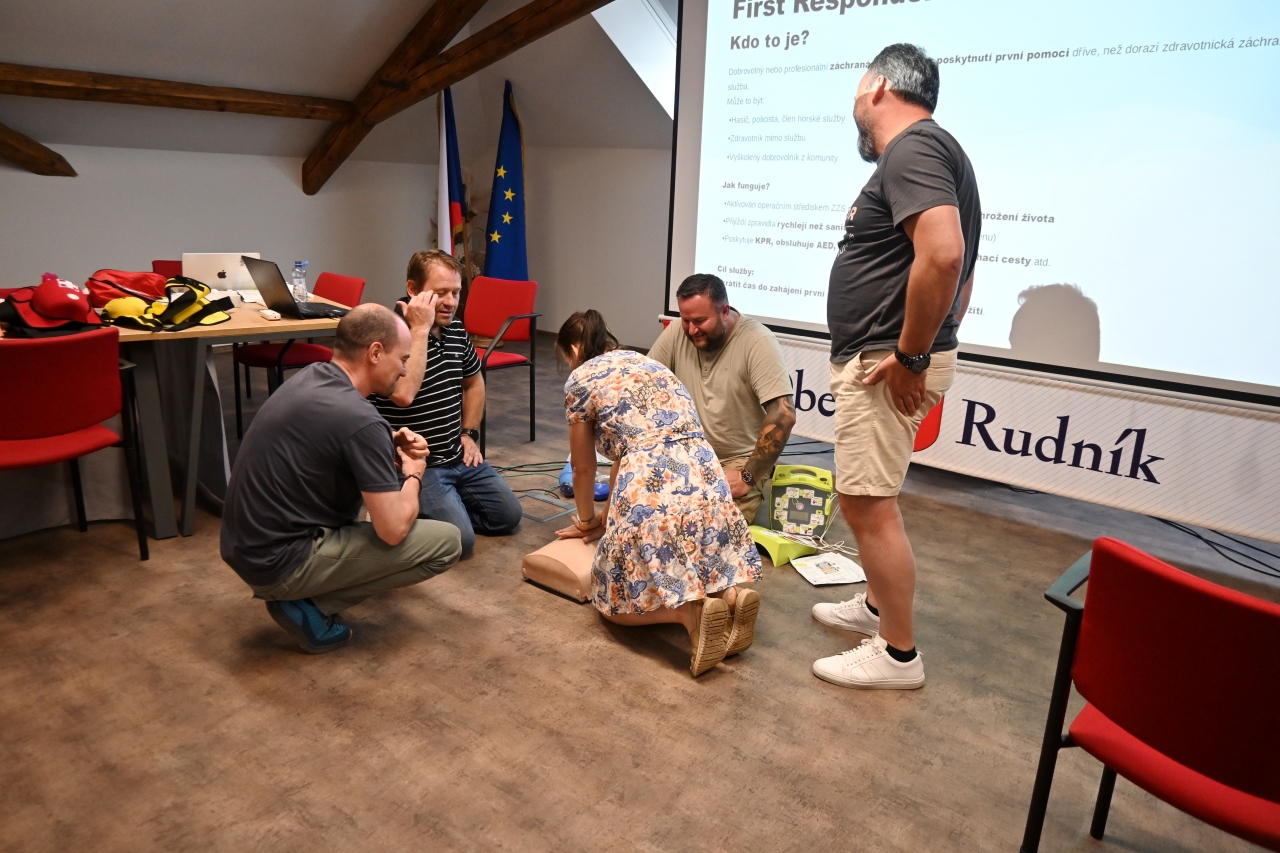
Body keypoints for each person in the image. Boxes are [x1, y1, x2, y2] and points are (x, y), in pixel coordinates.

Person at [812, 43, 981, 690]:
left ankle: (898, 654)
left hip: (888, 361)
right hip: (891, 354)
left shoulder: (914, 147)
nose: (854, 99)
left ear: (879, 86)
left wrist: (913, 354)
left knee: (866, 503)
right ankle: (877, 605)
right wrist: (936, 338)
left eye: (858, 84)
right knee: (867, 496)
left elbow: (944, 256)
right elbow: (960, 270)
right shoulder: (932, 152)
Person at [221, 304, 463, 654]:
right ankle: (309, 604)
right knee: (447, 542)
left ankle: (301, 589)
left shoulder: (314, 376)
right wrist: (414, 474)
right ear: (375, 353)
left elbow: (333, 435)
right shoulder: (361, 420)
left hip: (247, 548)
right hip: (278, 563)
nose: (404, 370)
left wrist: (387, 440)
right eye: (402, 359)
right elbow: (393, 530)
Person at [553, 310, 763, 677]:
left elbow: (583, 468)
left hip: (652, 484)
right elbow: (625, 453)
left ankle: (688, 614)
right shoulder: (649, 364)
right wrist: (609, 518)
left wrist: (587, 521)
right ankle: (730, 597)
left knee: (611, 600)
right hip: (707, 474)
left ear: (573, 349)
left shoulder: (581, 379)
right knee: (697, 559)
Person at [372, 249, 523, 556]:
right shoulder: (390, 334)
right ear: (413, 289)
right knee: (461, 542)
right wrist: (420, 330)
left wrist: (469, 433)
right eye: (440, 293)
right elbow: (403, 395)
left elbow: (474, 382)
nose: (451, 302)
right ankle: (402, 507)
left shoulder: (455, 329)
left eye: (456, 292)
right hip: (419, 465)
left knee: (508, 516)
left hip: (457, 455)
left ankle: (444, 508)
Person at [648, 273, 795, 525]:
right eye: (686, 320)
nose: (691, 330)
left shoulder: (757, 341)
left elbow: (783, 414)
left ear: (724, 311)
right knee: (651, 516)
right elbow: (644, 383)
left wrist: (748, 476)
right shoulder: (677, 332)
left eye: (700, 321)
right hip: (687, 452)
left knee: (717, 529)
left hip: (738, 460)